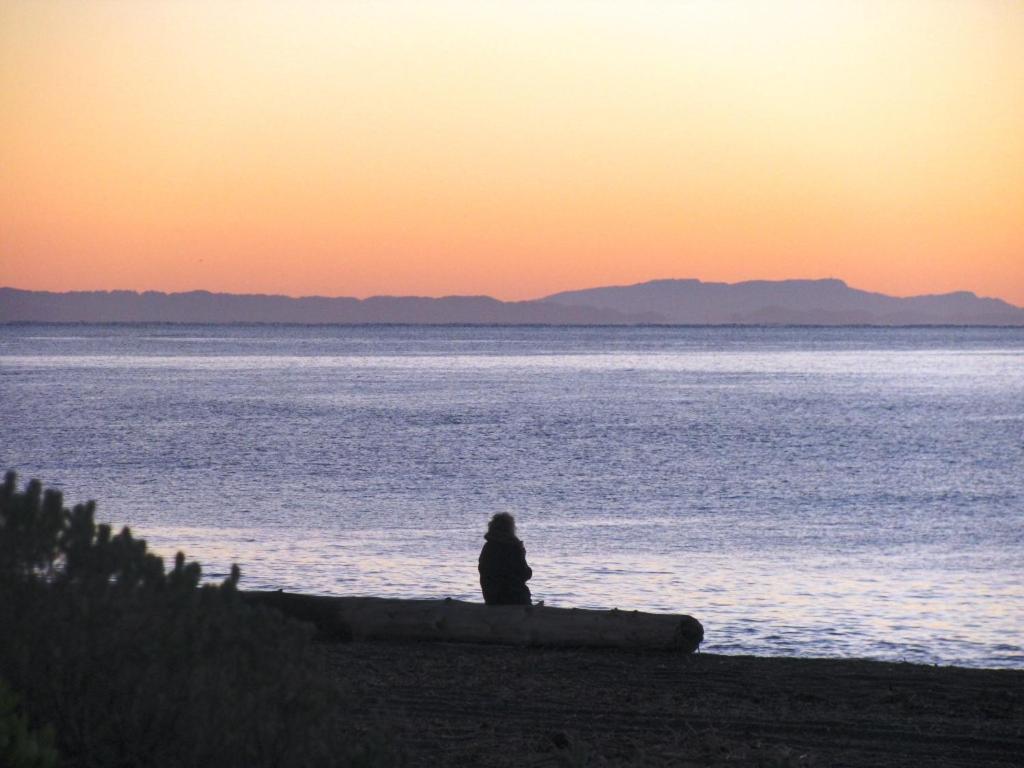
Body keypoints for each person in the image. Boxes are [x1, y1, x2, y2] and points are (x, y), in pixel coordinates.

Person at [478, 512, 533, 605]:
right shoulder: (513, 547)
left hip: (492, 599)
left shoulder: (488, 547)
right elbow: (524, 574)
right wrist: (522, 554)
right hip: (515, 599)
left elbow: (484, 571)